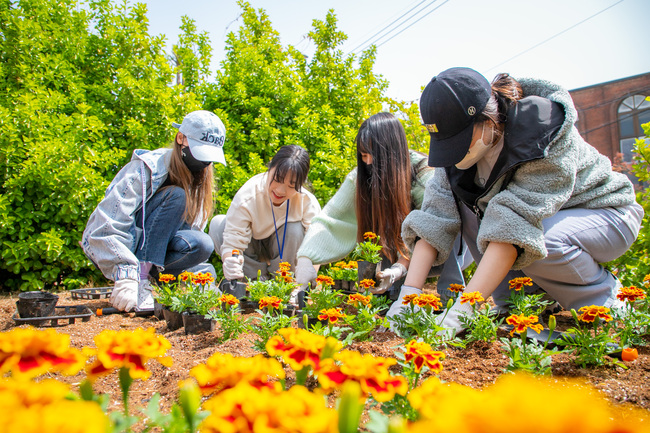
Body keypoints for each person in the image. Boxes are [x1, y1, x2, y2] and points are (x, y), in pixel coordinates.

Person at [401, 67, 644, 335]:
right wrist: (407, 297)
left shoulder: (542, 130)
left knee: (540, 240)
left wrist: (463, 309)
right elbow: (434, 219)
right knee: (473, 212)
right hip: (543, 219)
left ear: (488, 119)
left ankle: (607, 300)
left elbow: (516, 223)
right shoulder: (456, 159)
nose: (454, 152)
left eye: (459, 141)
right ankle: (518, 308)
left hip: (604, 212)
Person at [293, 112, 470, 306]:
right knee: (379, 225)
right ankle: (388, 299)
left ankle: (453, 300)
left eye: (371, 155)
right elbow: (333, 218)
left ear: (390, 153)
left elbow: (436, 227)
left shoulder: (425, 174)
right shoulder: (361, 176)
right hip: (401, 256)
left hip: (444, 253)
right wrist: (306, 257)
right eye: (363, 155)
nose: (367, 162)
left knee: (443, 218)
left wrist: (400, 268)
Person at [82, 110, 226, 312]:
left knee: (203, 244)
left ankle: (149, 276)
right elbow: (108, 225)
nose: (203, 163)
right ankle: (140, 280)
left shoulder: (199, 184)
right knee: (176, 196)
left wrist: (205, 282)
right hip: (122, 249)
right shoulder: (145, 169)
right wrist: (126, 275)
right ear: (180, 138)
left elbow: (193, 238)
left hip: (159, 259)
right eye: (199, 152)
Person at [209, 145, 321, 283]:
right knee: (218, 224)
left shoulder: (306, 201)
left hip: (283, 248)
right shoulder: (248, 195)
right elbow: (233, 243)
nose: (280, 190)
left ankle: (283, 282)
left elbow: (316, 245)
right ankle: (254, 281)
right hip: (252, 245)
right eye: (278, 179)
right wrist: (230, 260)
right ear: (269, 168)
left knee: (295, 230)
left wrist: (305, 279)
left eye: (291, 185)